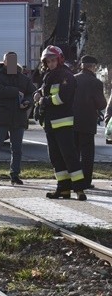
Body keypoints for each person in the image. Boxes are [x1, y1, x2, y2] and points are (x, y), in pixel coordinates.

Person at [33, 45, 86, 200]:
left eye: (53, 60)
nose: (50, 63)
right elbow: (46, 92)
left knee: (69, 156)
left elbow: (62, 98)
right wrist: (39, 94)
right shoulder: (48, 75)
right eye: (48, 61)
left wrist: (43, 100)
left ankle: (79, 189)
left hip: (62, 123)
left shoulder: (66, 76)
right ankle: (63, 189)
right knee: (55, 157)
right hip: (50, 124)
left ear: (59, 59)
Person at [0, 51, 36, 185]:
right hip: (1, 116)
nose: (12, 63)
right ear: (4, 62)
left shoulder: (23, 78)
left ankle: (15, 175)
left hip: (18, 117)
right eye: (9, 60)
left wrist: (27, 101)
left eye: (14, 60)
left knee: (17, 148)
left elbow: (32, 92)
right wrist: (15, 92)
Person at [73, 55, 106, 190]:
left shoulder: (73, 79)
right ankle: (86, 182)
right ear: (93, 67)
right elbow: (101, 103)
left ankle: (73, 180)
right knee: (87, 154)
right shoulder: (96, 83)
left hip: (72, 121)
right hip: (87, 122)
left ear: (82, 65)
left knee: (74, 152)